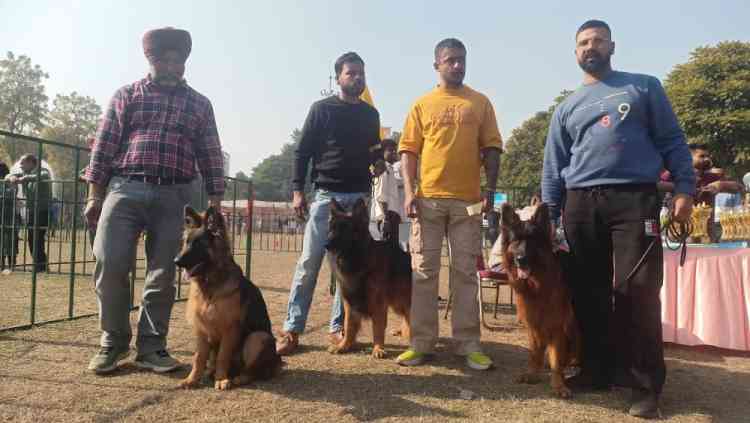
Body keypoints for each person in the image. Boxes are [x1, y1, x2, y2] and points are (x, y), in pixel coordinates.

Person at [541, 20, 695, 418]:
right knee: (586, 293)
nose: (590, 47)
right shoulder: (566, 107)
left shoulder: (643, 87)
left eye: (597, 41)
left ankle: (645, 386)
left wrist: (684, 189)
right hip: (579, 205)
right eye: (582, 43)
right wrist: (551, 216)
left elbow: (673, 141)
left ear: (612, 46)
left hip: (633, 199)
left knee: (638, 292)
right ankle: (596, 370)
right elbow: (553, 167)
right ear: (575, 52)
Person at [83, 27, 225, 375]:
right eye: (163, 59)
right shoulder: (126, 95)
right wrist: (94, 195)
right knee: (110, 262)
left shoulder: (200, 104)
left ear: (185, 63)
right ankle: (113, 342)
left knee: (163, 273)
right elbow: (103, 147)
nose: (170, 65)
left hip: (176, 193)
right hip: (124, 188)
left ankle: (152, 346)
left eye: (177, 60)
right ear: (151, 59)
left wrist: (215, 202)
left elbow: (209, 153)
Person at [396, 38, 503, 371]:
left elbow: (493, 148)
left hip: (468, 202)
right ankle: (421, 343)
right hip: (427, 200)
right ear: (436, 65)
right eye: (450, 60)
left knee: (465, 275)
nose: (457, 65)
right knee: (424, 273)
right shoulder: (422, 104)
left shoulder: (480, 103)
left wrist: (491, 190)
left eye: (461, 60)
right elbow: (408, 152)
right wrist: (410, 192)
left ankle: (468, 344)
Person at [276, 52, 383, 356]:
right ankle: (292, 330)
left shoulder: (370, 114)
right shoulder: (321, 110)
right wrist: (298, 191)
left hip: (360, 199)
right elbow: (302, 153)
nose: (357, 78)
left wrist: (379, 163)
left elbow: (374, 151)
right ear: (338, 77)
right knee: (308, 264)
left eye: (361, 73)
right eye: (351, 73)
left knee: (348, 268)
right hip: (326, 196)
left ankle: (340, 328)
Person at [6, 154, 52, 272]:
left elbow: (42, 176)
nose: (20, 166)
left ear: (31, 162)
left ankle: (40, 265)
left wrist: (24, 179)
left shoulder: (43, 171)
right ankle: (40, 264)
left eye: (23, 163)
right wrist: (11, 177)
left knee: (37, 238)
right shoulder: (25, 173)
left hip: (42, 211)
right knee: (32, 238)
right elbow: (8, 176)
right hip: (32, 211)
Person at [659, 144, 743, 206]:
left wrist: (720, 185)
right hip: (678, 222)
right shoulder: (674, 173)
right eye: (702, 156)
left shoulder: (711, 176)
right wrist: (688, 188)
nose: (707, 159)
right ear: (688, 157)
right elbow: (657, 184)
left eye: (708, 156)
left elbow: (738, 187)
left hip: (705, 224)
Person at [370, 138, 409, 250]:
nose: (394, 153)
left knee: (401, 247)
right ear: (382, 152)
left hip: (398, 217)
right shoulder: (383, 169)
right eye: (390, 150)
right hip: (385, 218)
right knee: (384, 249)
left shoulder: (390, 168)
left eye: (394, 151)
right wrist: (385, 219)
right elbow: (381, 197)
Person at [0, 162, 18, 273]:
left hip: (8, 214)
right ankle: (2, 263)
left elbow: (12, 193)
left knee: (10, 239)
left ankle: (11, 263)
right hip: (6, 213)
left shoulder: (8, 179)